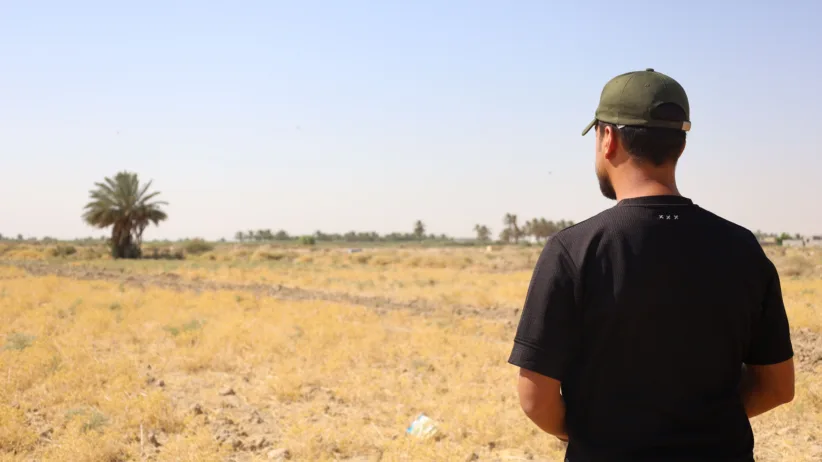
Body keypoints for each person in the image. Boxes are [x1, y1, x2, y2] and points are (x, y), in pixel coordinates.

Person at [507, 68, 795, 462]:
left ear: (608, 139)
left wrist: (596, 434)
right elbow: (778, 387)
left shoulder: (573, 250)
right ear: (680, 144)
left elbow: (534, 396)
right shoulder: (743, 248)